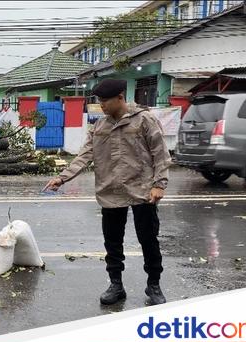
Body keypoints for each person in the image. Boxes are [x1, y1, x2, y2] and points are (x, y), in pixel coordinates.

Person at [44, 79, 172, 306]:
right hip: (110, 190)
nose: (101, 105)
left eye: (105, 100)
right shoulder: (100, 126)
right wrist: (62, 178)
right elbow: (85, 155)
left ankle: (154, 284)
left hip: (142, 190)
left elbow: (160, 153)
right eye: (99, 101)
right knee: (113, 243)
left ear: (120, 97)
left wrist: (159, 184)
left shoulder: (144, 120)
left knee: (148, 239)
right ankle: (116, 285)